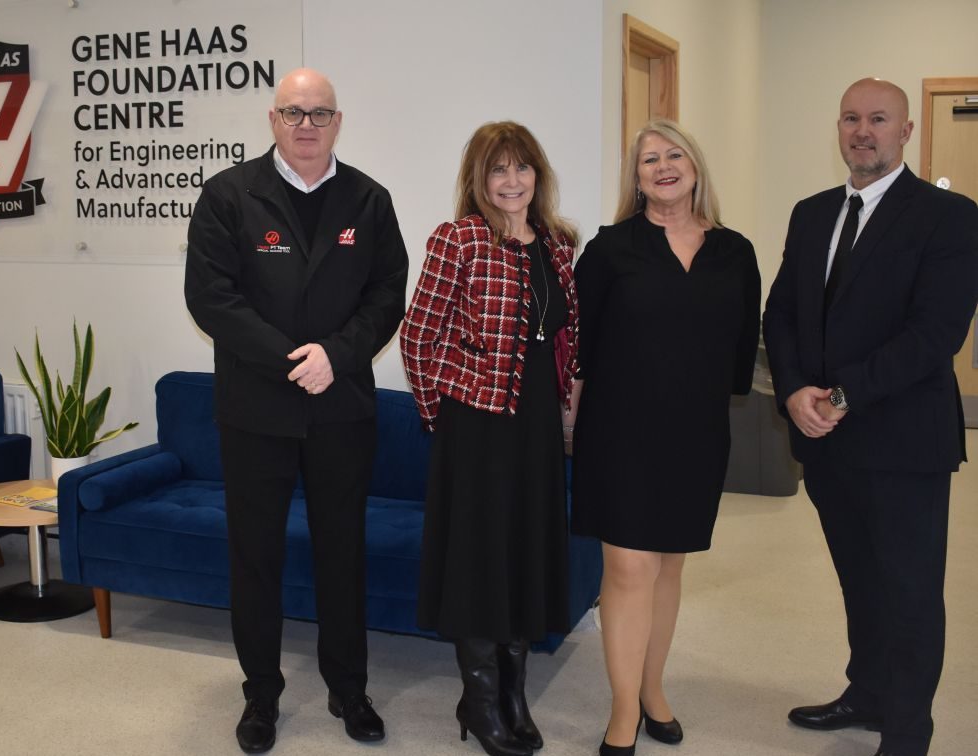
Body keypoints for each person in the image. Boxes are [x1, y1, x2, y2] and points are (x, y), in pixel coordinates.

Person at [184, 67, 409, 754]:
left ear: (338, 122)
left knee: (343, 554)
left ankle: (349, 688)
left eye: (319, 112)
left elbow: (385, 296)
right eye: (293, 112)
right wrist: (292, 360)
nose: (306, 124)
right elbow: (211, 298)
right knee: (256, 558)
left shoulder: (369, 201)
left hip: (340, 409)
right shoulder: (228, 195)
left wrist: (335, 357)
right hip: (255, 411)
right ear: (273, 120)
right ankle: (260, 695)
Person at [763, 78, 978, 756]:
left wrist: (843, 395)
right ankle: (867, 692)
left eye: (879, 119)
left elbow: (935, 332)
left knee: (910, 590)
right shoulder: (811, 212)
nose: (864, 131)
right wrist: (795, 390)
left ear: (906, 131)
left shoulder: (949, 216)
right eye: (852, 119)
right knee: (858, 576)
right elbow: (783, 314)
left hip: (904, 439)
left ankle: (908, 729)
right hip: (826, 441)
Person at [571, 119, 760, 755]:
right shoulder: (609, 250)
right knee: (628, 567)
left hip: (696, 432)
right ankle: (624, 710)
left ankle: (654, 689)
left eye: (674, 154)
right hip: (620, 429)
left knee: (670, 564)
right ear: (637, 178)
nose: (663, 166)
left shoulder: (736, 252)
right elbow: (580, 349)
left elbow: (740, 352)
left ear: (695, 165)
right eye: (648, 159)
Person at [400, 121, 579, 756]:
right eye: (497, 169)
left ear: (538, 175)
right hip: (476, 426)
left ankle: (511, 692)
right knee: (480, 558)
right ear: (480, 179)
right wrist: (438, 413)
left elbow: (566, 339)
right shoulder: (460, 240)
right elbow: (418, 333)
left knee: (524, 550)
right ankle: (479, 701)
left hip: (533, 425)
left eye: (521, 168)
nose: (511, 181)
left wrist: (567, 408)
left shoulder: (558, 245)